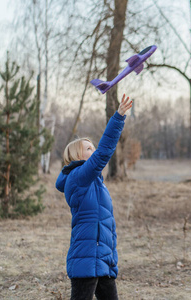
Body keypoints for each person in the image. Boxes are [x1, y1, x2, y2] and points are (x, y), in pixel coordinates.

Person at [55, 94, 133, 300]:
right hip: (85, 260)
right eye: (89, 148)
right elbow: (104, 152)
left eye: (93, 147)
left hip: (103, 259)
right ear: (77, 156)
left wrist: (112, 258)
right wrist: (118, 117)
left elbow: (107, 224)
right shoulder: (78, 178)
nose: (95, 150)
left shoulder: (98, 184)